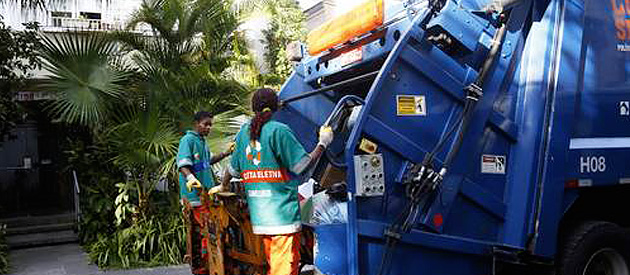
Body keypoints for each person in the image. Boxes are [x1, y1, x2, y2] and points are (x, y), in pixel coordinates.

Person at [211, 88, 333, 275]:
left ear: (254, 108)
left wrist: (223, 185)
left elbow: (232, 168)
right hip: (282, 215)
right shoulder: (279, 131)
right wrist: (323, 143)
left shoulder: (245, 132)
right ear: (274, 108)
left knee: (274, 266)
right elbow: (303, 165)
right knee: (283, 269)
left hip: (261, 216)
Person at [177, 111, 233, 275]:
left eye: (210, 124)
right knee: (209, 231)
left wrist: (226, 153)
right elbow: (182, 164)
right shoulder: (187, 140)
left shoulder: (202, 142)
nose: (209, 127)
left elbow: (207, 163)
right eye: (205, 124)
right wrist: (190, 178)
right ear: (196, 123)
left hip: (207, 195)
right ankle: (206, 266)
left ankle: (211, 265)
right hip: (194, 196)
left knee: (212, 230)